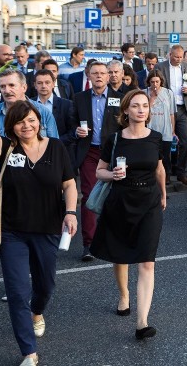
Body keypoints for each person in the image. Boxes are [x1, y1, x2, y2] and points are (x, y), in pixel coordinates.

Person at [0, 89, 77, 366]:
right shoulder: (8, 149)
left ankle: (38, 312)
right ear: (12, 127)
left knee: (45, 285)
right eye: (20, 122)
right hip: (12, 232)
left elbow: (68, 183)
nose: (26, 125)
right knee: (18, 292)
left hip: (47, 229)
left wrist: (70, 212)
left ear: (38, 120)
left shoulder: (56, 147)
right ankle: (29, 353)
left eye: (30, 120)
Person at [91, 90, 166, 340]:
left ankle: (142, 322)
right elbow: (99, 171)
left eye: (145, 106)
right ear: (126, 111)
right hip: (121, 200)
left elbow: (159, 169)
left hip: (150, 203)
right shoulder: (114, 140)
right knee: (121, 254)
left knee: (147, 261)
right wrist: (111, 175)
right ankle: (124, 295)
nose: (141, 110)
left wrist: (164, 195)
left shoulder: (156, 138)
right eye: (135, 106)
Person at [72, 62, 123, 262]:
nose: (100, 76)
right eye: (95, 73)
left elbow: (125, 125)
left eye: (103, 73)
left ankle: (113, 239)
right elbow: (71, 123)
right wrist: (77, 130)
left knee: (116, 197)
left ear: (109, 76)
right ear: (89, 76)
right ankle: (89, 244)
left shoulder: (119, 99)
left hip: (114, 152)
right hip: (90, 153)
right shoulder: (79, 98)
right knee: (89, 196)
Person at [153, 45, 187, 185]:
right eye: (176, 57)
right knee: (166, 142)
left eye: (181, 57)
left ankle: (181, 172)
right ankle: (166, 173)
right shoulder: (160, 67)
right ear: (170, 55)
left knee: (186, 142)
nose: (178, 59)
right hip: (166, 108)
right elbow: (156, 85)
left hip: (183, 107)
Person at [145, 71, 175, 180]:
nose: (155, 84)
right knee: (151, 156)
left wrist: (173, 130)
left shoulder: (168, 93)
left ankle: (166, 177)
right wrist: (152, 99)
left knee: (165, 156)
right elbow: (144, 112)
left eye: (157, 81)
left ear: (161, 81)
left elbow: (172, 113)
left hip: (165, 130)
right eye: (152, 82)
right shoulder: (144, 93)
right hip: (150, 130)